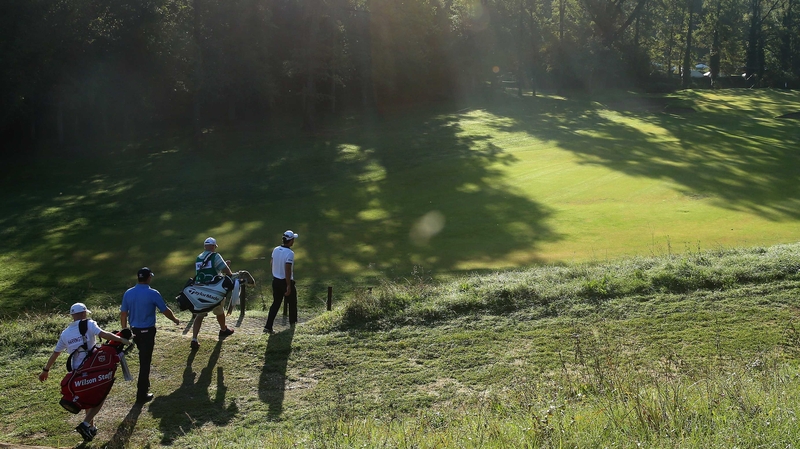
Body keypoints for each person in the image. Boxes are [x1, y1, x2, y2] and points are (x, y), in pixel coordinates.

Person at [39, 302, 132, 442]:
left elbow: (55, 353)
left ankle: (91, 428)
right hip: (95, 367)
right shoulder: (88, 323)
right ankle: (85, 424)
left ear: (72, 316)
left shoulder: (65, 333)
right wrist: (122, 340)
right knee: (100, 396)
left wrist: (45, 370)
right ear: (83, 313)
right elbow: (103, 334)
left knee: (89, 395)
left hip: (78, 371)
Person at [120, 267, 181, 404]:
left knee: (143, 357)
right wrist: (175, 320)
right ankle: (141, 394)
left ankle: (145, 385)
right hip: (147, 332)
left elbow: (123, 313)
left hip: (134, 331)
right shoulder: (153, 293)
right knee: (145, 362)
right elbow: (165, 310)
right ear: (148, 278)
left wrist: (124, 329)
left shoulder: (128, 293)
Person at [190, 237, 235, 349]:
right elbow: (227, 272)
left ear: (205, 246)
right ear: (214, 246)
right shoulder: (215, 256)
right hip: (214, 290)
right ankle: (223, 329)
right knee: (219, 311)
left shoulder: (199, 258)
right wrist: (227, 268)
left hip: (201, 290)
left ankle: (194, 338)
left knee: (200, 315)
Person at [265, 230, 299, 334]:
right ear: (290, 240)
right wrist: (288, 285)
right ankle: (293, 326)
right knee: (292, 303)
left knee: (275, 303)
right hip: (285, 281)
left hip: (275, 280)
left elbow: (271, 263)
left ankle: (268, 326)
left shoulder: (275, 249)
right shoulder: (290, 253)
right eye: (293, 239)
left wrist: (275, 274)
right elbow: (287, 269)